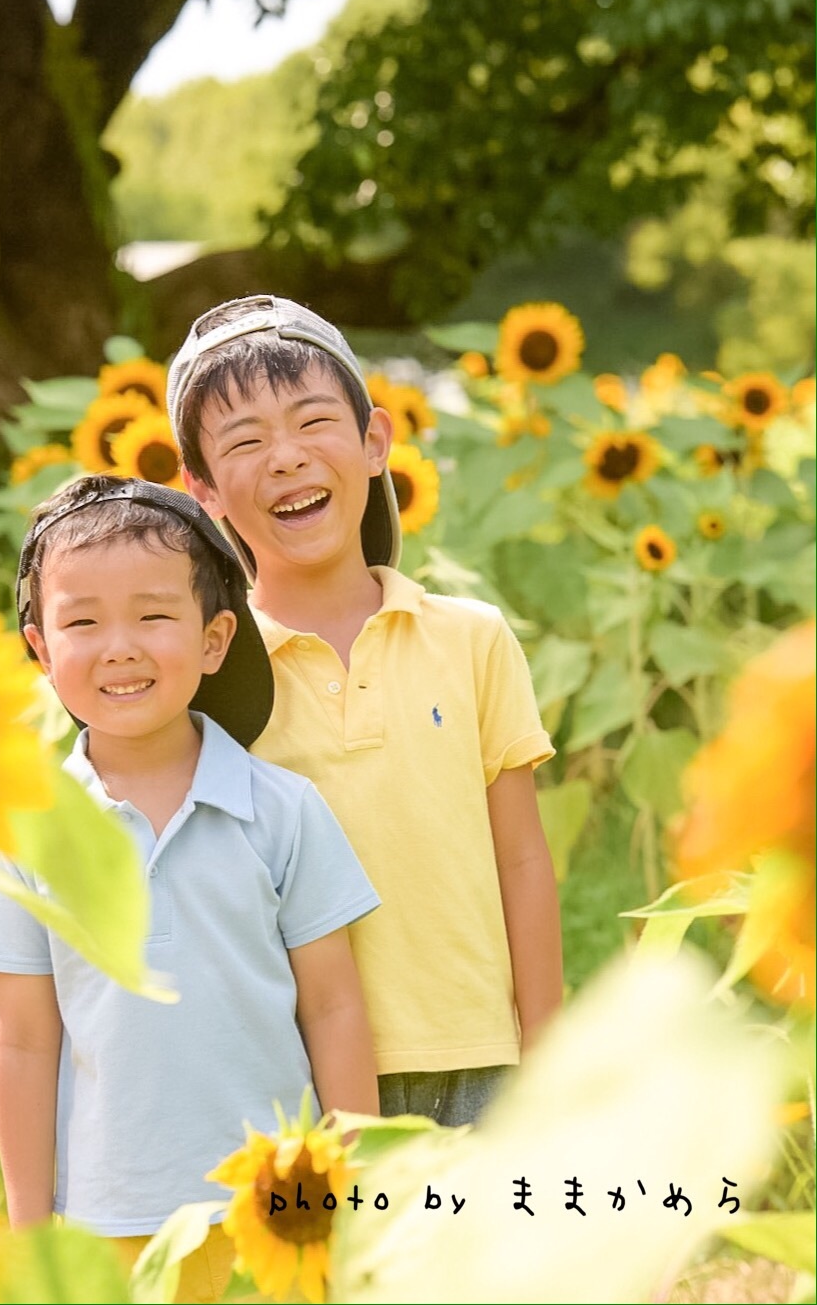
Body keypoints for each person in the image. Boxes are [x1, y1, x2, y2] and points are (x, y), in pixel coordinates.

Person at [0, 475, 379, 1298]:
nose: (119, 645)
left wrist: (356, 1184)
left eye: (154, 615)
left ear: (215, 638)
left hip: (274, 1209)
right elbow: (22, 1041)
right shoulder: (30, 832)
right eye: (82, 622)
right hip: (106, 1213)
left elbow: (333, 1006)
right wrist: (30, 1224)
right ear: (41, 648)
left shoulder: (282, 810)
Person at [167, 296, 563, 1127]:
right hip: (296, 1073)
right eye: (243, 441)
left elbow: (521, 862)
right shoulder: (209, 681)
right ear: (202, 489)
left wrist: (549, 1049)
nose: (285, 458)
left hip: (480, 1059)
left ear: (374, 441)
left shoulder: (471, 639)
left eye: (313, 421)